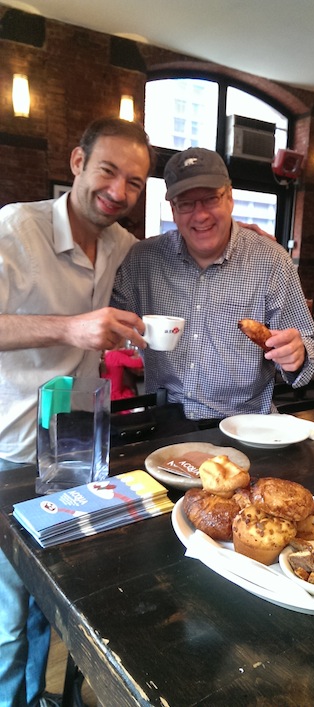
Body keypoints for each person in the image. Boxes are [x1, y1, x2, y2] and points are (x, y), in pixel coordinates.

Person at [0, 117, 153, 707]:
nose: (118, 190)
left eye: (134, 182)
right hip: (10, 451)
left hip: (76, 451)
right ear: (77, 163)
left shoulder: (123, 248)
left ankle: (40, 698)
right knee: (9, 616)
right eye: (108, 171)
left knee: (51, 601)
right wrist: (70, 327)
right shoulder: (18, 227)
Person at [111, 146, 314, 424]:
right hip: (162, 421)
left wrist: (299, 354)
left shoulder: (271, 261)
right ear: (173, 210)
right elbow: (105, 320)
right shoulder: (143, 260)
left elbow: (307, 343)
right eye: (186, 203)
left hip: (244, 425)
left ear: (229, 198)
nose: (200, 215)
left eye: (210, 199)